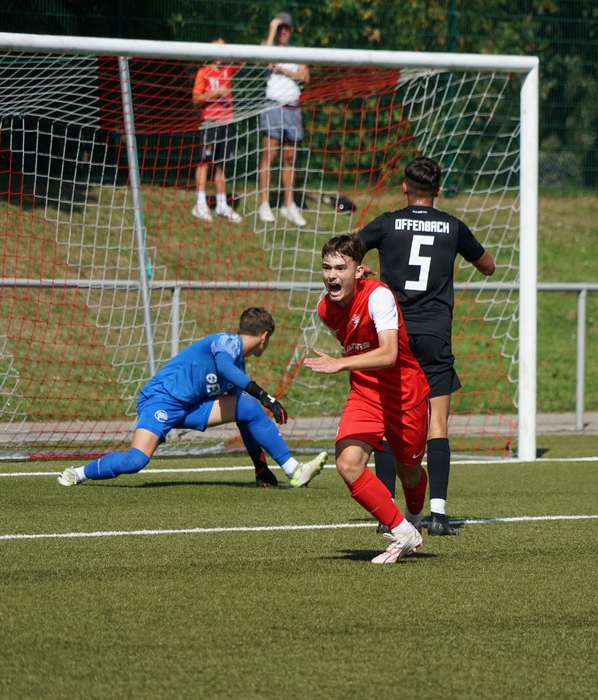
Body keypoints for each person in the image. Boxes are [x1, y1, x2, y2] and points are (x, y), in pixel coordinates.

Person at [359, 156, 495, 536]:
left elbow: (349, 250)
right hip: (435, 332)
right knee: (437, 422)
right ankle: (438, 515)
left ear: (404, 186)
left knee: (390, 419)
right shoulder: (452, 226)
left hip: (393, 333)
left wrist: (363, 268)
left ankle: (387, 514)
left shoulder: (387, 223)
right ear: (438, 189)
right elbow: (488, 265)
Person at [57, 308, 326, 488]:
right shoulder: (226, 342)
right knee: (136, 461)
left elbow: (244, 417)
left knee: (245, 406)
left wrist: (260, 467)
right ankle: (78, 473)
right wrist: (265, 395)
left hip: (191, 408)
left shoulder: (239, 366)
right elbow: (224, 368)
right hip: (161, 400)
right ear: (264, 337)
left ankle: (293, 470)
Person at [303, 234, 430, 564]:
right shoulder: (325, 309)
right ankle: (402, 530)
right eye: (327, 267)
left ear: (359, 271)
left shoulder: (379, 296)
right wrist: (347, 365)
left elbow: (389, 354)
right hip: (365, 393)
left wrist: (340, 363)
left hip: (404, 393)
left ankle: (414, 519)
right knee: (347, 463)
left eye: (340, 268)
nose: (331, 275)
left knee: (409, 472)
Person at [257, 12, 309, 227]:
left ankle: (289, 204)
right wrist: (271, 28)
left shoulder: (297, 53)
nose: (283, 31)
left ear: (292, 30)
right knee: (269, 156)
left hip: (293, 108)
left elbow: (305, 77)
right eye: (280, 28)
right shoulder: (268, 48)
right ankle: (264, 203)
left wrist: (282, 70)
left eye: (286, 27)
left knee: (290, 158)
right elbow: (264, 61)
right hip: (273, 106)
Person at [191, 38, 243, 224]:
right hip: (210, 121)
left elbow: (243, 59)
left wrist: (227, 47)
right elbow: (195, 99)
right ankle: (200, 203)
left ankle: (221, 204)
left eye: (222, 50)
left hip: (226, 122)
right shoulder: (203, 72)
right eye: (216, 50)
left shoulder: (228, 69)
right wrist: (215, 93)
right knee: (204, 161)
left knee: (222, 164)